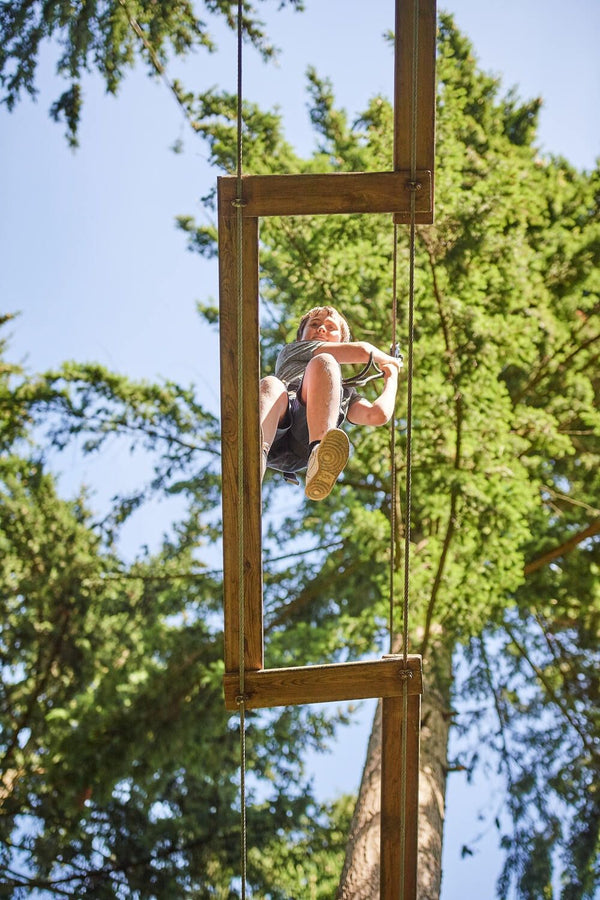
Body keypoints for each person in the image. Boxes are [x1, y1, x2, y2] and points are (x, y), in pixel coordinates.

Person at [260, 305, 402, 501]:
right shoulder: (293, 350)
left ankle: (319, 455)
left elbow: (377, 414)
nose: (321, 329)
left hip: (305, 441)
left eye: (330, 327)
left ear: (342, 341)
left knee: (324, 363)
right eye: (315, 324)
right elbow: (362, 351)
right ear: (300, 337)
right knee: (272, 384)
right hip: (275, 425)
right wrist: (392, 362)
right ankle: (255, 453)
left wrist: (391, 378)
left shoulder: (342, 394)